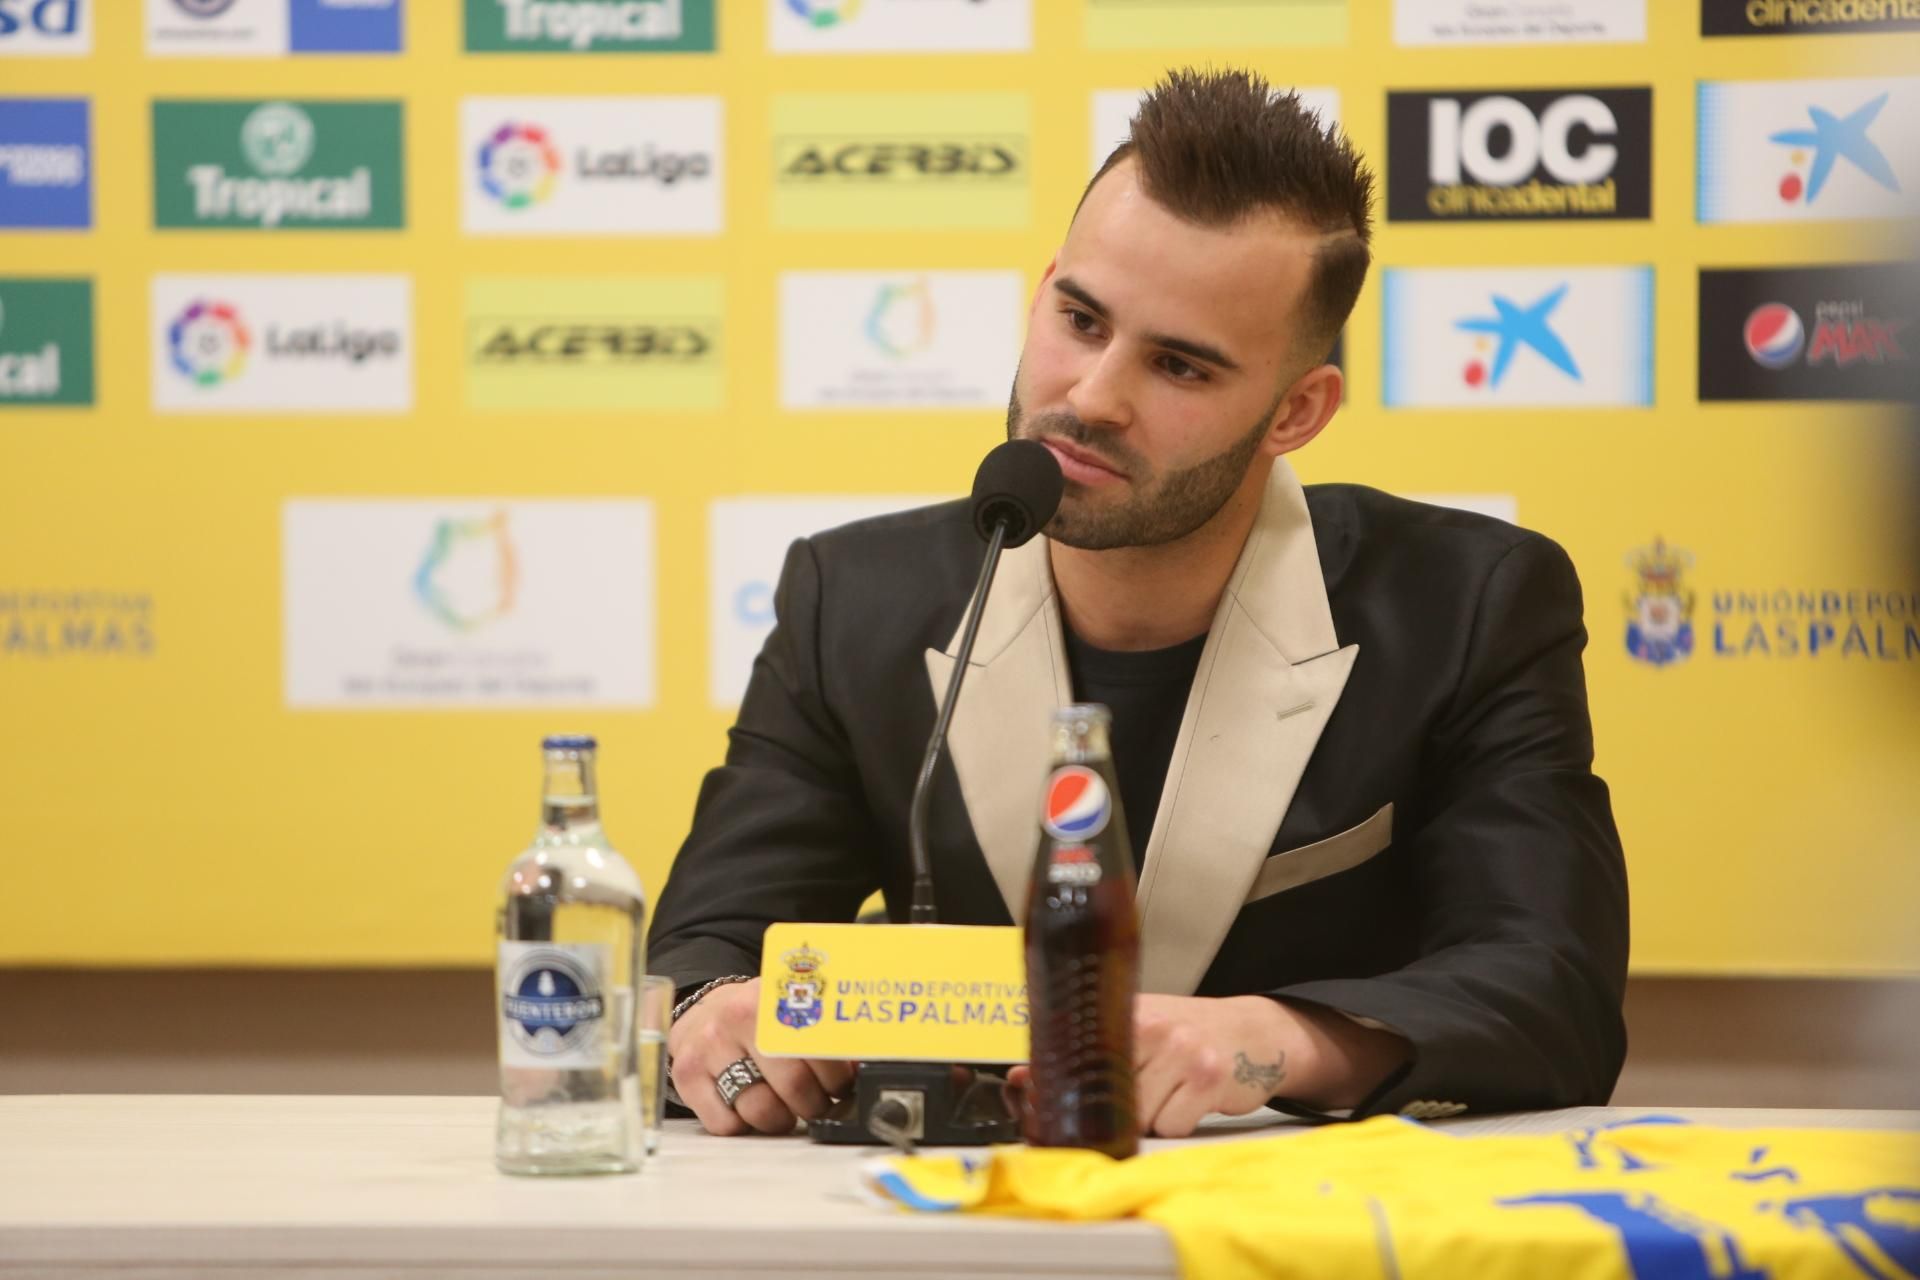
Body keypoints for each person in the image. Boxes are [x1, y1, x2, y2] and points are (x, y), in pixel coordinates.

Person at [650, 68, 1629, 1139]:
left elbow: (1552, 993)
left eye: (1179, 366)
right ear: (1044, 292)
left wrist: (1271, 1041)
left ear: (1297, 411)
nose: (1091, 395)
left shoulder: (1470, 603)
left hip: (1313, 1212)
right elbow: (702, 953)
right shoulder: (850, 599)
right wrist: (714, 1019)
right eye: (1079, 319)